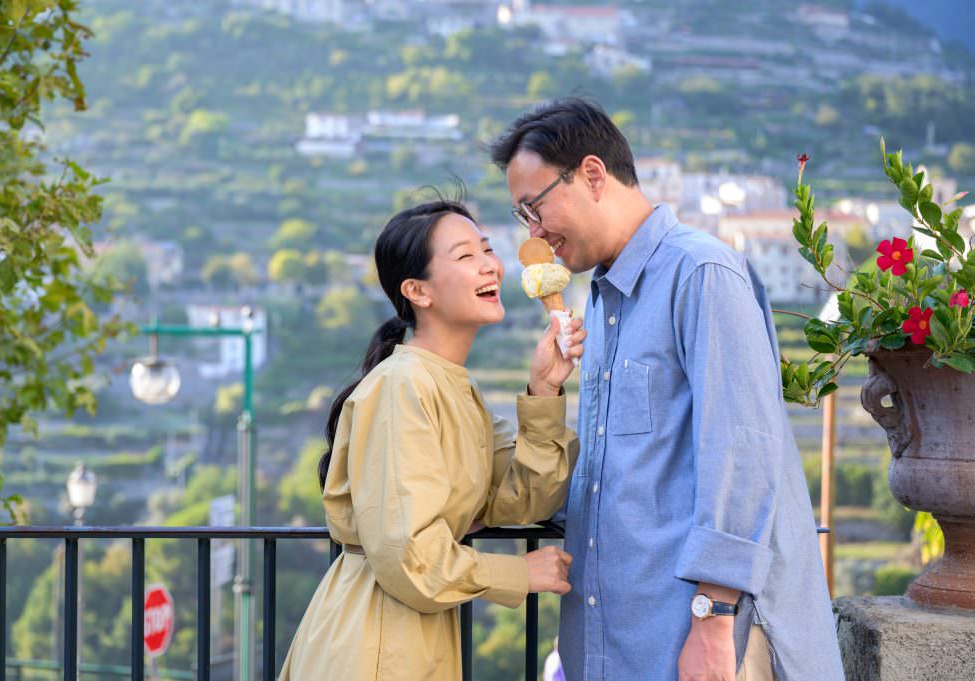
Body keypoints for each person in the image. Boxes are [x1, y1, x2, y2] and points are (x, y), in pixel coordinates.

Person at [490, 98, 845, 681]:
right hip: (620, 641)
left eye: (535, 207)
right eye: (522, 216)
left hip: (702, 641)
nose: (534, 232)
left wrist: (713, 619)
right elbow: (612, 478)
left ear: (592, 175)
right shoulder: (599, 300)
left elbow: (742, 451)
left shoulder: (701, 273)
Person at [278, 199, 587, 681]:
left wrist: (544, 389)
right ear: (417, 291)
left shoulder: (454, 388)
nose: (490, 264)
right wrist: (520, 573)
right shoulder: (401, 387)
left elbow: (526, 499)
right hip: (374, 645)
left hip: (410, 637)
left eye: (487, 249)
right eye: (465, 255)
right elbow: (409, 556)